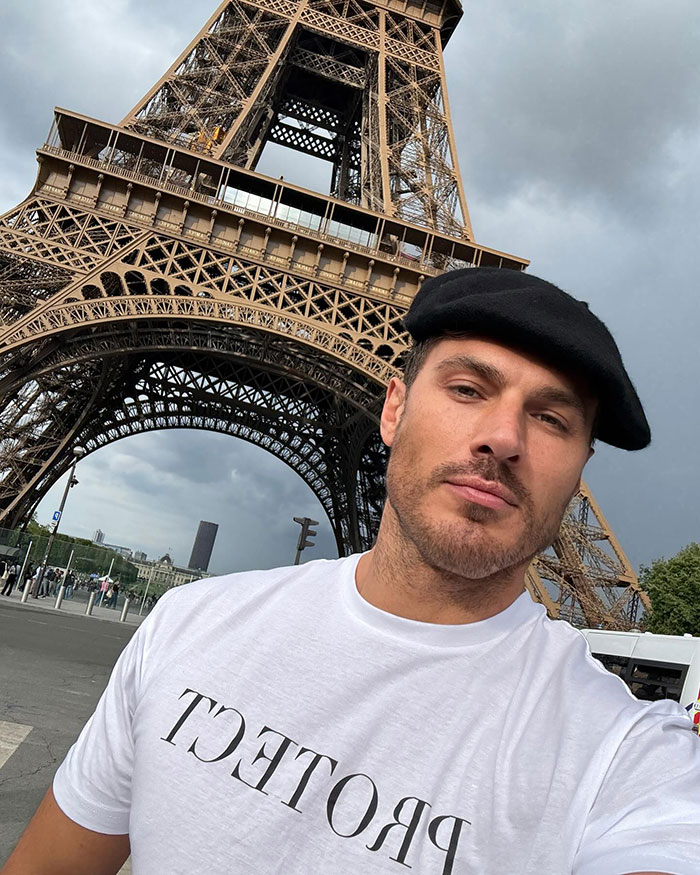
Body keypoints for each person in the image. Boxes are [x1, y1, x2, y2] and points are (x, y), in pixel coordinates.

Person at [4, 268, 700, 875]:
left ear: (579, 468)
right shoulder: (187, 623)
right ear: (393, 407)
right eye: (466, 388)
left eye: (550, 418)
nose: (504, 436)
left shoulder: (626, 758)